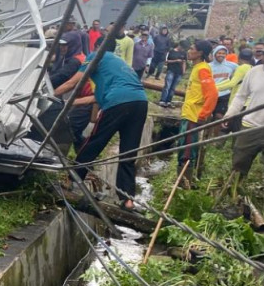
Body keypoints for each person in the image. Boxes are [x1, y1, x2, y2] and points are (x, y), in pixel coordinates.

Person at [54, 48, 148, 210]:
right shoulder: (117, 68)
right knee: (128, 152)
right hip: (140, 102)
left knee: (94, 142)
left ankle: (71, 180)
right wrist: (68, 103)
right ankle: (128, 200)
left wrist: (50, 95)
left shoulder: (95, 55)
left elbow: (73, 82)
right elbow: (92, 99)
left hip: (118, 102)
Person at [225, 54, 264, 183]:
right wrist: (230, 114)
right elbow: (241, 96)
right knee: (239, 165)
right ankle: (233, 193)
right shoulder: (254, 72)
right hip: (250, 126)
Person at [176, 40, 218, 173]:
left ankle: (184, 181)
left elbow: (212, 94)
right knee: (183, 147)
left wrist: (203, 114)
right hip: (188, 113)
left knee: (187, 151)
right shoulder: (197, 67)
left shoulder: (203, 69)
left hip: (194, 116)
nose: (189, 50)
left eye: (192, 48)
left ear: (200, 53)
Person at [208, 45, 238, 118]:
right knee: (208, 116)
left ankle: (216, 129)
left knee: (219, 116)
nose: (221, 55)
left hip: (224, 95)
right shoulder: (208, 66)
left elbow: (240, 72)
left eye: (223, 53)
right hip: (211, 94)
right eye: (219, 53)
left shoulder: (232, 65)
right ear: (215, 54)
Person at [159, 37, 187, 108]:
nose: (183, 49)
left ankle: (168, 101)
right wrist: (176, 60)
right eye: (183, 47)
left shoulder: (184, 53)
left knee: (173, 87)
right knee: (167, 86)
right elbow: (166, 61)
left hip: (179, 72)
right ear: (179, 45)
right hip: (171, 70)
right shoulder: (171, 51)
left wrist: (183, 71)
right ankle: (163, 100)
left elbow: (184, 62)